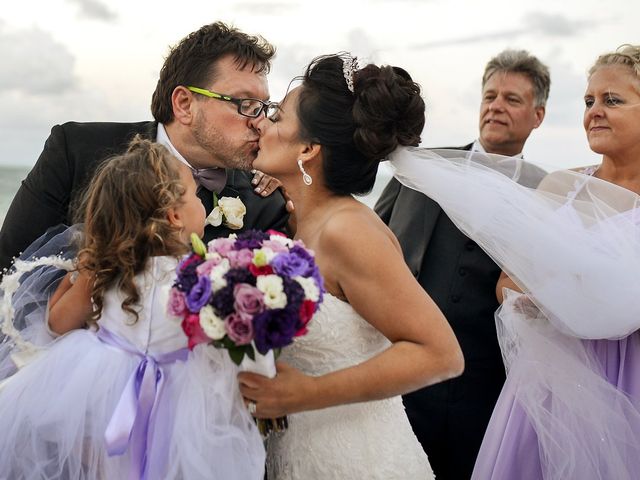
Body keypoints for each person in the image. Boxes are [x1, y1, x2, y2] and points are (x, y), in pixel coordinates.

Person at [237, 54, 464, 479]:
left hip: (359, 461)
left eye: (276, 117)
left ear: (307, 149)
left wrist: (308, 393)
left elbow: (441, 354)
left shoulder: (349, 231)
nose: (261, 124)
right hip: (301, 454)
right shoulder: (301, 224)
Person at [0, 138, 265, 479]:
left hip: (105, 397)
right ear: (174, 216)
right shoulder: (203, 276)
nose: (203, 205)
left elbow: (56, 325)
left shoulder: (107, 270)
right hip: (181, 407)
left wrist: (87, 273)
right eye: (195, 195)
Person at [374, 49, 550, 480]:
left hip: (489, 391)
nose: (496, 106)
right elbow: (368, 240)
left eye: (512, 99)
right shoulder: (419, 168)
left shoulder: (547, 193)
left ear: (538, 115)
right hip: (403, 381)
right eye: (490, 96)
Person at [0, 21, 288, 274]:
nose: (260, 123)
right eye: (246, 104)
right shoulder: (75, 150)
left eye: (265, 107)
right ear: (185, 104)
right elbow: (10, 264)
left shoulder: (265, 203)